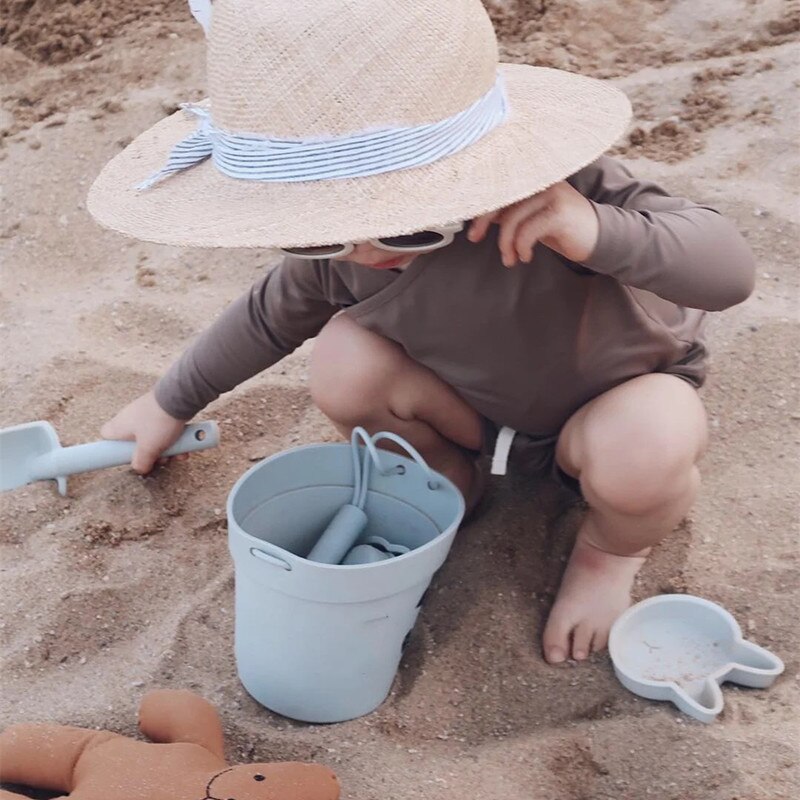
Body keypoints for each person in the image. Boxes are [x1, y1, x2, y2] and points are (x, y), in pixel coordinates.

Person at [88, 0, 755, 665]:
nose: (368, 252)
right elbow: (265, 318)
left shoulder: (556, 194)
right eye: (318, 231)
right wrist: (167, 403)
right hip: (477, 414)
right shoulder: (339, 261)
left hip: (613, 403)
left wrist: (594, 231)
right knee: (343, 360)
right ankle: (446, 477)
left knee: (651, 439)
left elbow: (728, 272)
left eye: (411, 222)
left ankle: (609, 552)